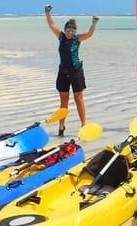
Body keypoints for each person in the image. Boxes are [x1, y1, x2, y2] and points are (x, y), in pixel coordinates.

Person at [45, 4, 99, 137]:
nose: (70, 32)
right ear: (65, 30)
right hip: (63, 72)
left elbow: (90, 34)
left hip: (76, 71)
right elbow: (51, 24)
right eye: (68, 30)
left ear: (75, 31)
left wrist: (93, 23)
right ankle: (61, 126)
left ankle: (83, 125)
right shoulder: (61, 37)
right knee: (63, 101)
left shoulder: (78, 39)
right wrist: (47, 12)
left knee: (79, 98)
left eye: (72, 31)